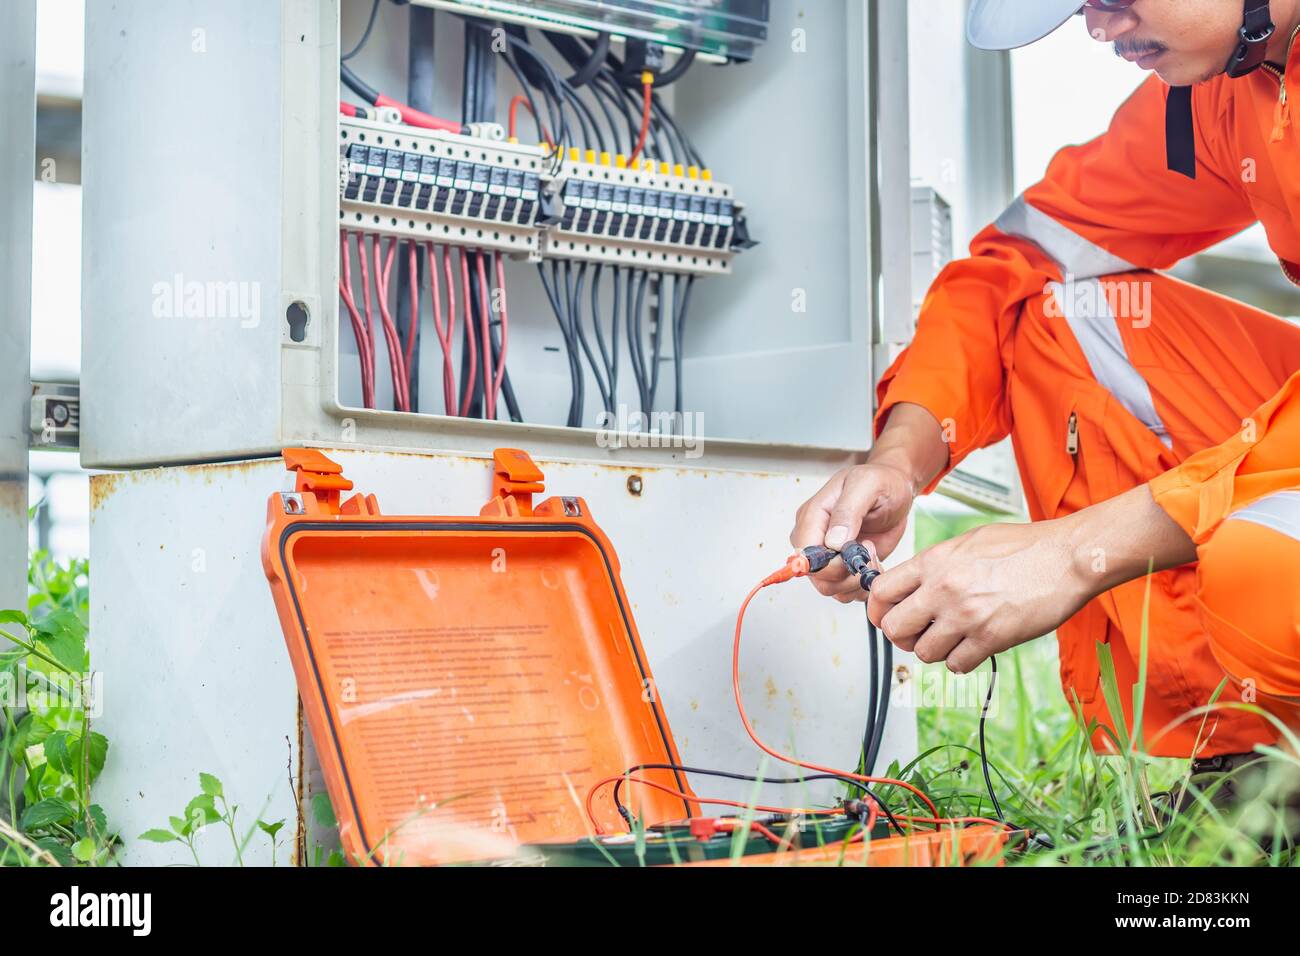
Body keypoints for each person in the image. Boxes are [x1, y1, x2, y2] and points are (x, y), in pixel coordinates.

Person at [791, 0, 1300, 768]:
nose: (1099, 29)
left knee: (1263, 567)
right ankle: (1256, 771)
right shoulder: (1230, 90)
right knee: (1064, 310)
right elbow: (1018, 262)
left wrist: (1073, 553)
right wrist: (900, 455)